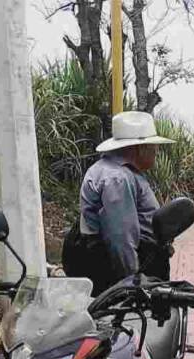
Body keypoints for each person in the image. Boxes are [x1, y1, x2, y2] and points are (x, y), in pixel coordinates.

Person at [63, 111, 175, 295]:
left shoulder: (114, 171)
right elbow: (121, 238)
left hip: (135, 260)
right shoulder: (117, 179)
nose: (156, 150)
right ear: (138, 149)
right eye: (152, 145)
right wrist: (133, 283)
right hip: (126, 268)